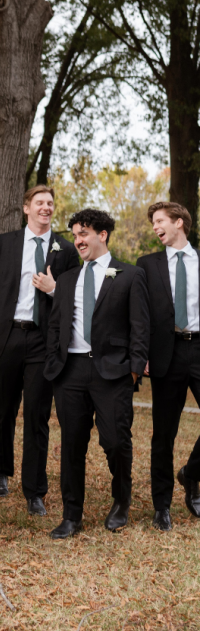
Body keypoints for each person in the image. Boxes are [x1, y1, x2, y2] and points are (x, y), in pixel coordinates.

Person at [0, 184, 79, 513]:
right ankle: (1, 472)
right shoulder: (5, 243)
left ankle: (35, 490)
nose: (45, 207)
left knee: (37, 414)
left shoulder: (64, 249)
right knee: (4, 409)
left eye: (50, 203)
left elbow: (75, 295)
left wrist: (55, 288)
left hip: (43, 342)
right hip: (7, 337)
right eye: (39, 203)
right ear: (26, 208)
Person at [45, 209, 148, 537]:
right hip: (70, 371)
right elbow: (56, 325)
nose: (78, 240)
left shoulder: (129, 275)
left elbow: (140, 327)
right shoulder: (67, 280)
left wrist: (133, 371)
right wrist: (54, 364)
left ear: (102, 235)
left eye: (84, 233)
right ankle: (71, 515)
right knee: (72, 443)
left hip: (113, 372)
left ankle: (121, 501)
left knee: (116, 441)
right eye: (75, 234)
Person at [138, 201, 200, 530]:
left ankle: (191, 474)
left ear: (178, 222)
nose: (155, 227)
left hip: (199, 346)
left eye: (160, 221)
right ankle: (161, 505)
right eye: (153, 223)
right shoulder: (147, 265)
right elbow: (142, 314)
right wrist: (142, 352)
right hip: (166, 353)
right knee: (164, 434)